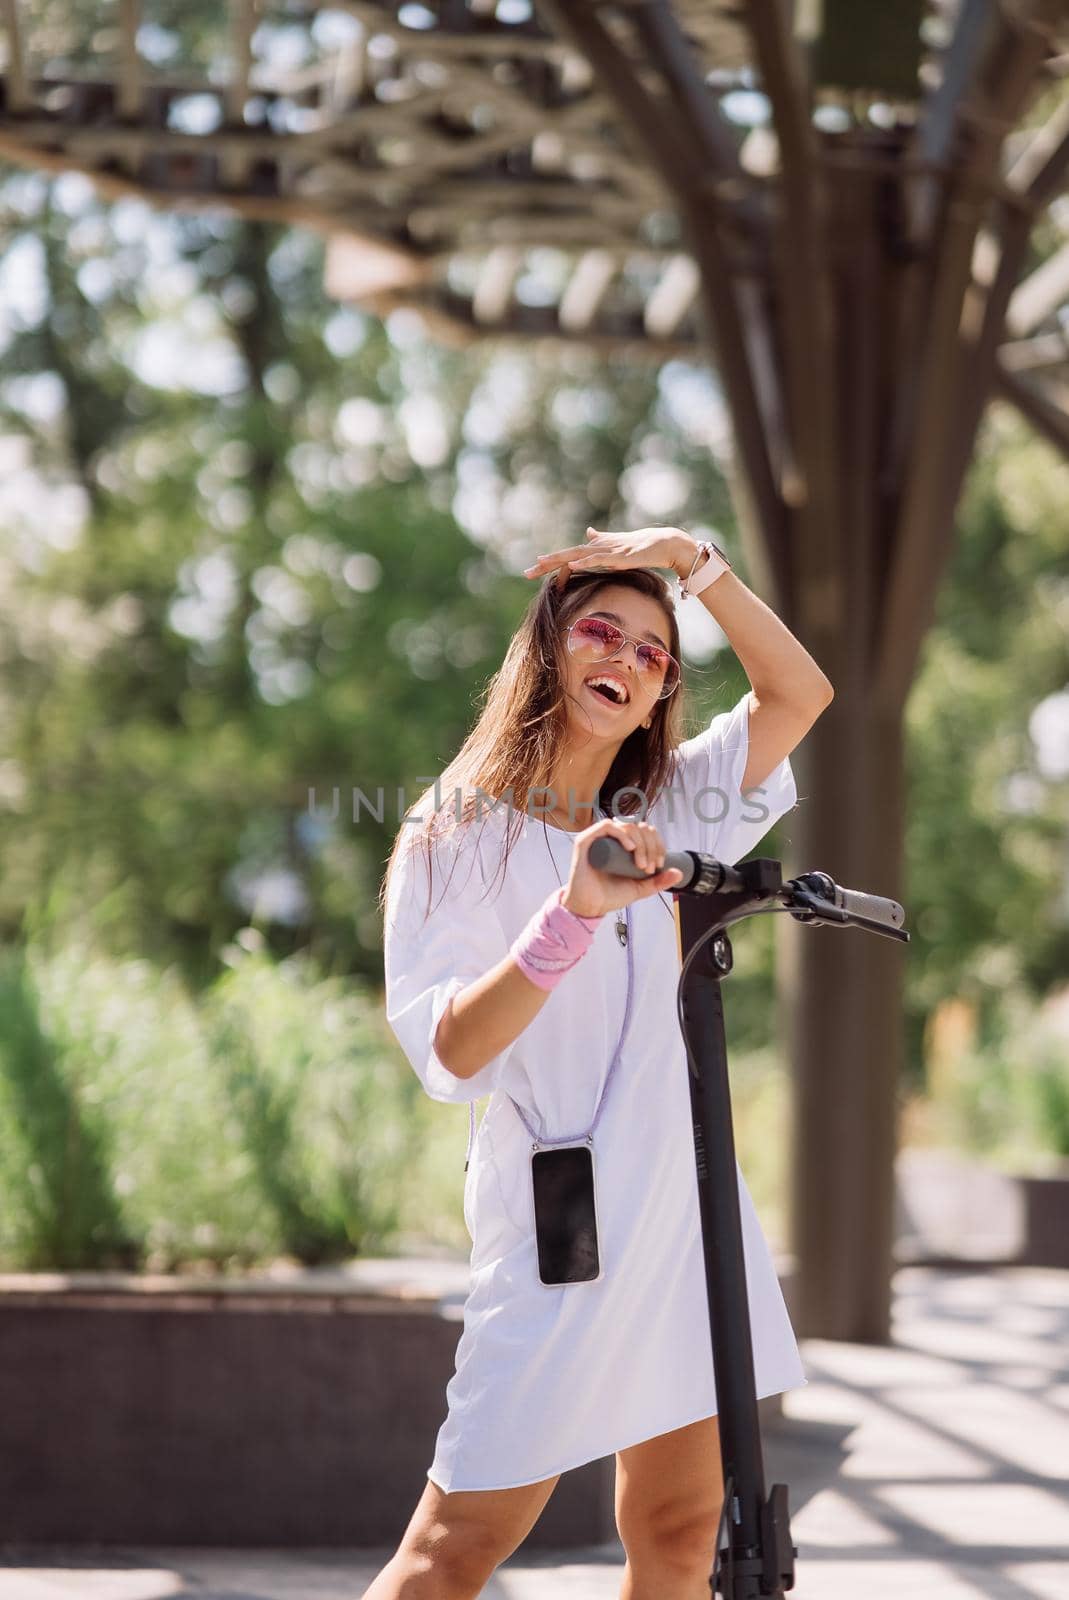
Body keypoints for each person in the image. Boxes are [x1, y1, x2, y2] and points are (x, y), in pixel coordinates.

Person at [368, 525, 834, 1600]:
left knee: (678, 1528)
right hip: (558, 1222)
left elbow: (798, 693)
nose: (623, 660)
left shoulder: (669, 803)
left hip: (681, 1208)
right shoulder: (453, 833)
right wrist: (567, 915)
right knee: (453, 1551)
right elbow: (450, 1050)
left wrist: (696, 559)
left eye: (652, 652)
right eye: (601, 631)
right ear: (549, 643)